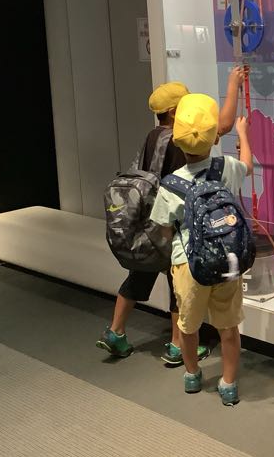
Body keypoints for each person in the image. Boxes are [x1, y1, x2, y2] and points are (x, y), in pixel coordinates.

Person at [96, 70, 246, 365]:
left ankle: (116, 331)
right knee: (177, 283)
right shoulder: (179, 140)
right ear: (176, 112)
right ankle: (178, 345)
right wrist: (233, 85)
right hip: (173, 225)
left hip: (149, 221)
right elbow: (223, 126)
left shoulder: (152, 135)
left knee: (139, 275)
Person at [150, 93, 253, 405]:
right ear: (215, 138)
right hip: (227, 261)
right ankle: (229, 383)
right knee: (229, 327)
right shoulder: (228, 167)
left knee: (188, 325)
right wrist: (243, 134)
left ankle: (193, 374)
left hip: (188, 265)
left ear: (177, 141)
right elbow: (248, 165)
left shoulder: (170, 184)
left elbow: (163, 229)